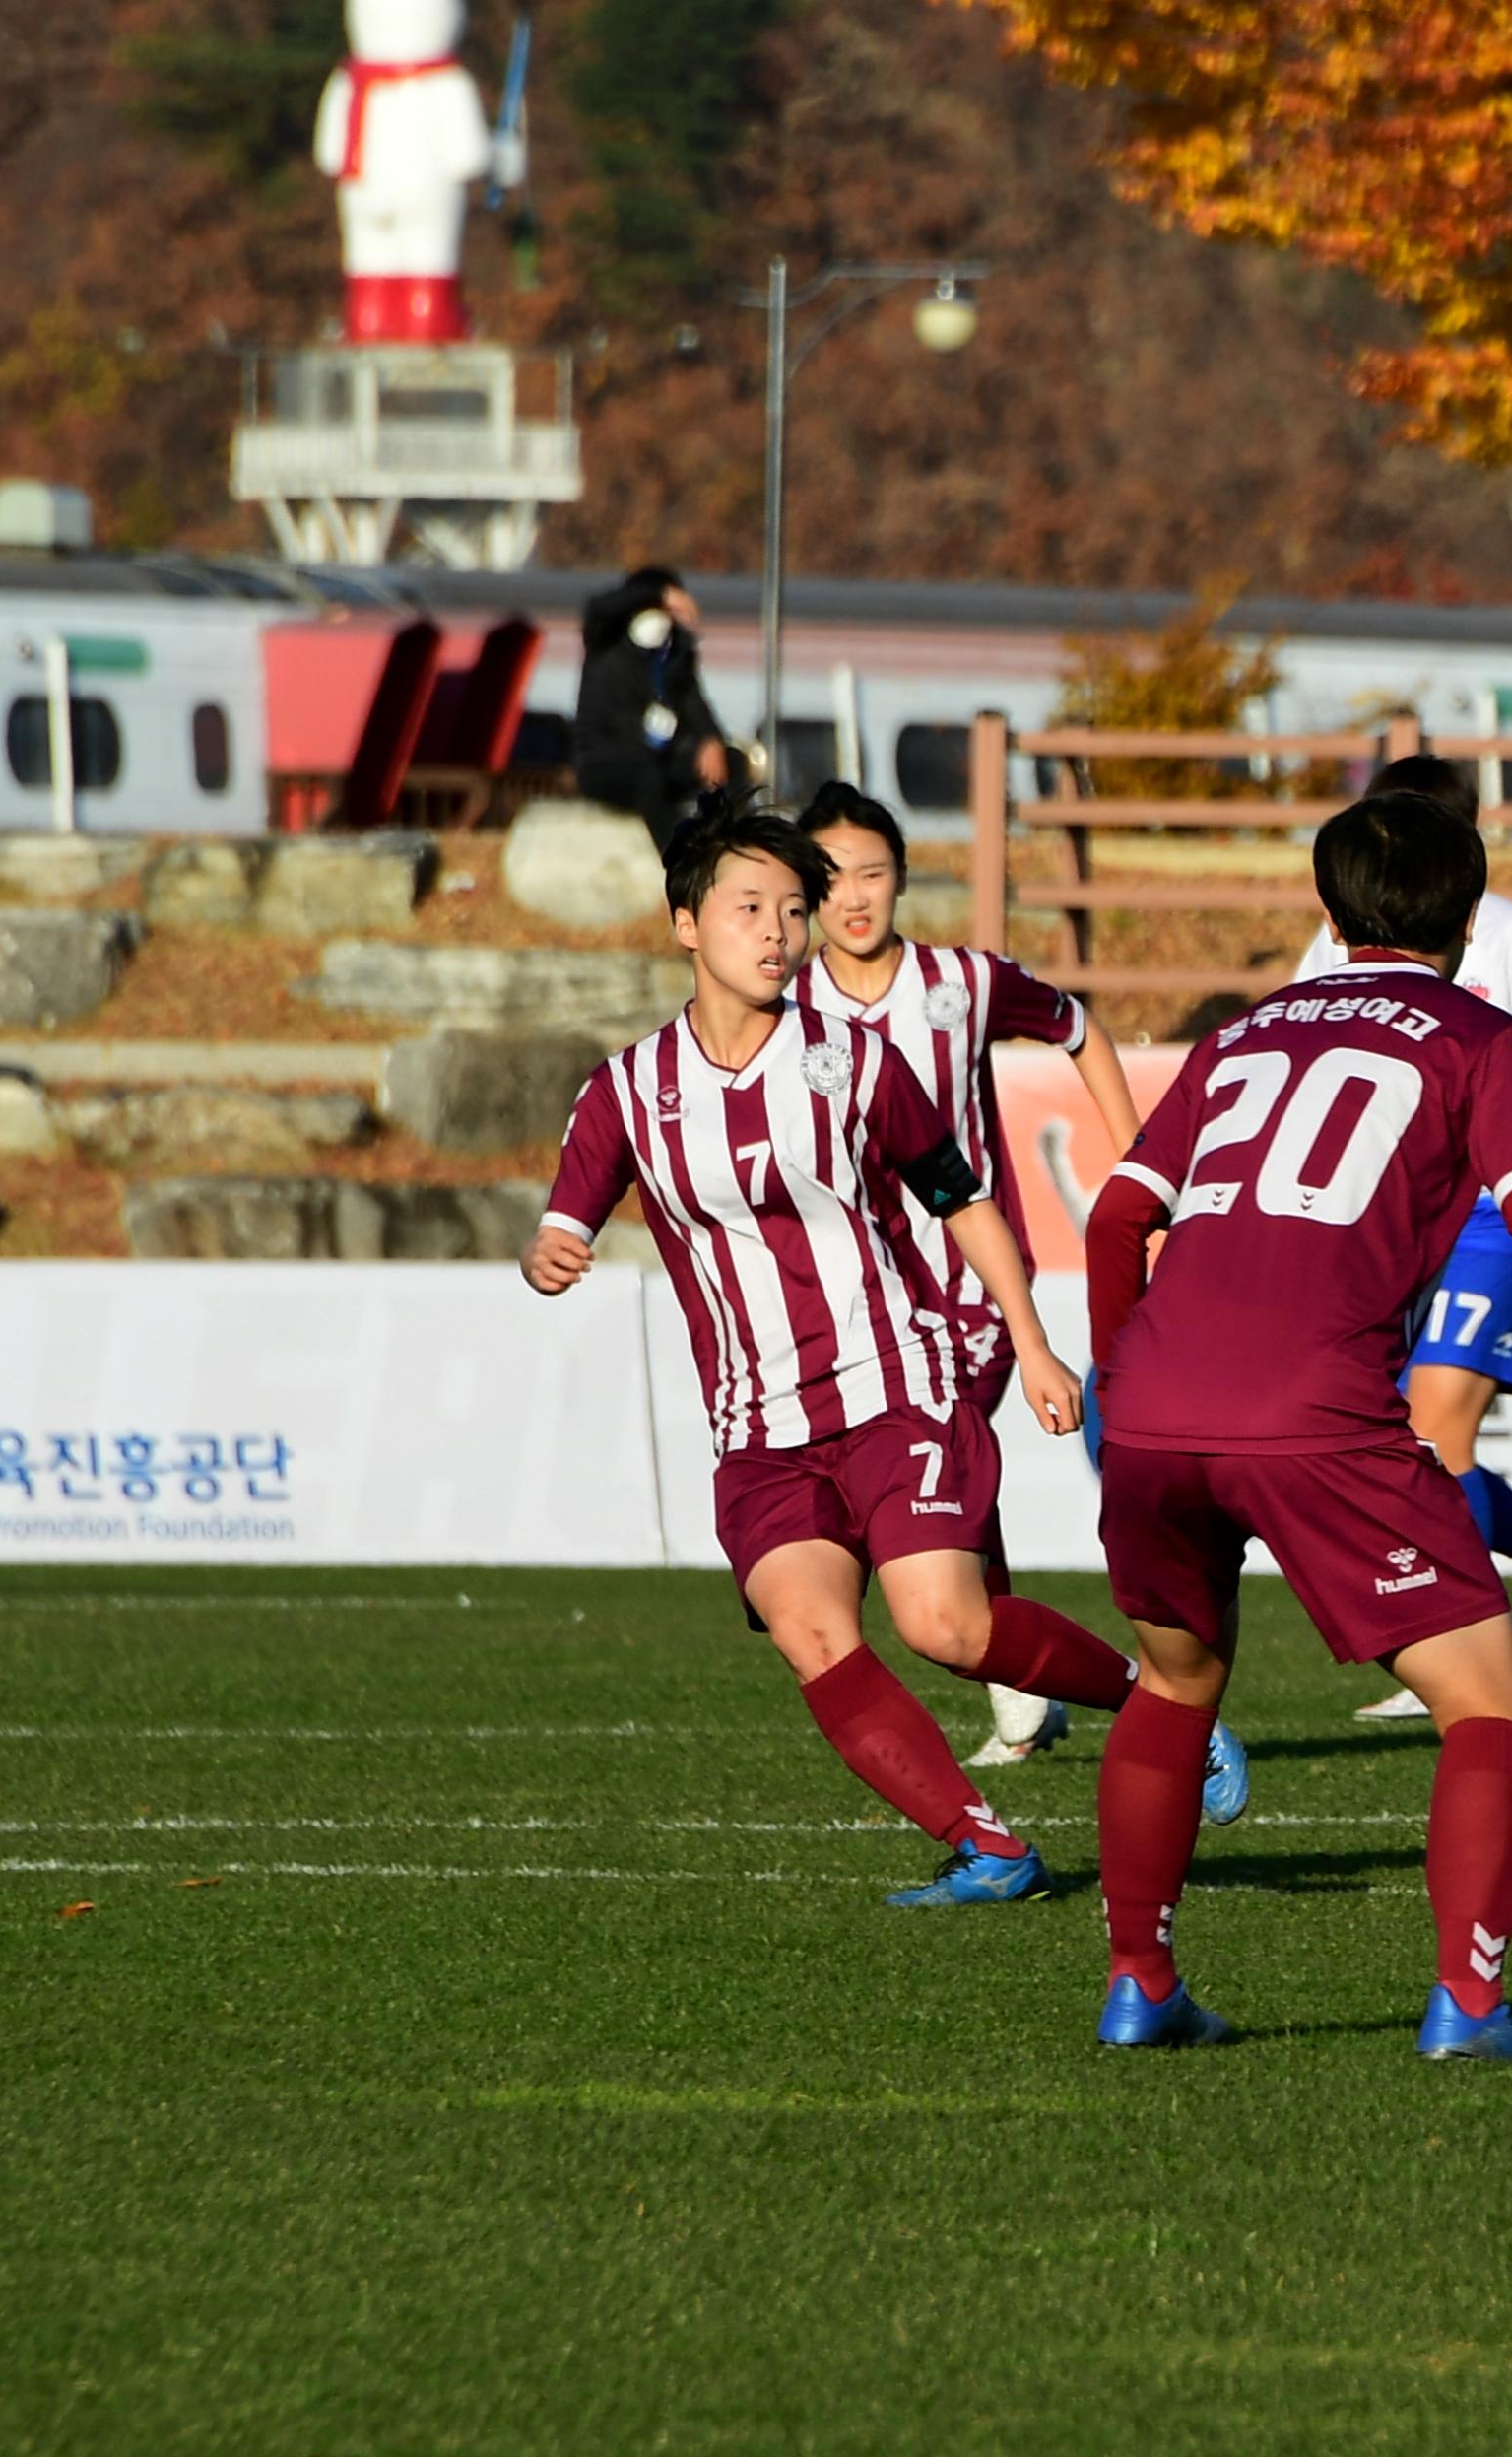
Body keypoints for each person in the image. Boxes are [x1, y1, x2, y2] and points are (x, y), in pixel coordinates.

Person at [1070, 783, 1512, 2062]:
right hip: (1317, 1408)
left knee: (1175, 1686)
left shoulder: (1246, 1034)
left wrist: (1121, 1379)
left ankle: (1141, 1984)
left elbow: (1119, 1218)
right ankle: (1468, 2006)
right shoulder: (1474, 1035)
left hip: (1159, 1408)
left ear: (1328, 904)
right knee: (1486, 1704)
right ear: (1470, 913)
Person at [517, 807, 1134, 1906]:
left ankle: (1151, 1699)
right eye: (750, 907)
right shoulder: (627, 1090)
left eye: (793, 912)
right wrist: (552, 1254)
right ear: (683, 924)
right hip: (759, 1433)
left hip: (896, 1388)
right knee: (811, 1630)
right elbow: (566, 1217)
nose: (780, 932)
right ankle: (992, 1848)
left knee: (946, 1624)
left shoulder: (856, 1062)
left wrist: (1035, 1344)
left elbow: (966, 1200)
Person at [779, 779, 1231, 1815]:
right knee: (933, 1481)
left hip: (978, 1291)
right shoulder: (789, 1013)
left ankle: (1055, 1687)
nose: (855, 895)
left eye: (875, 872)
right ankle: (1022, 1679)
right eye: (832, 877)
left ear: (905, 877)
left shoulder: (962, 985)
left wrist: (1137, 1156)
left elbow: (1078, 1028)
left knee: (924, 1450)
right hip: (866, 1301)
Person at [1292, 751, 1512, 1711]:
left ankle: (1451, 1635)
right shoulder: (1343, 943)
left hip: (1493, 1215)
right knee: (1397, 1450)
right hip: (1389, 1222)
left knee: (1430, 1430)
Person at [569, 564, 738, 830]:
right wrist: (659, 594)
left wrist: (710, 739)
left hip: (661, 757)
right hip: (607, 762)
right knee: (648, 778)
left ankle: (737, 840)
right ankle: (677, 858)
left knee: (731, 762)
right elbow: (599, 606)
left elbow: (694, 702)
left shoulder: (677, 653)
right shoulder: (605, 640)